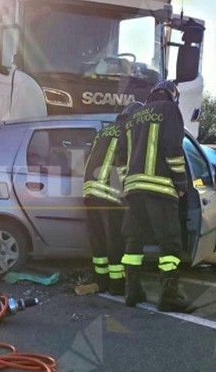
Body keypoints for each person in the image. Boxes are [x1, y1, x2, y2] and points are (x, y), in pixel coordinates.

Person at [116, 80, 193, 312]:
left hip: (133, 190)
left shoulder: (133, 116)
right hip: (160, 188)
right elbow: (173, 149)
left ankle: (132, 292)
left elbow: (121, 156)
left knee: (134, 240)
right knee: (169, 242)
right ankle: (169, 297)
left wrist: (127, 183)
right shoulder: (169, 110)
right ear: (173, 96)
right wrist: (181, 183)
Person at [82, 103, 138, 295]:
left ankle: (101, 281)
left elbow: (88, 157)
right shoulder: (128, 130)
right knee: (114, 240)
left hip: (90, 190)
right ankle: (116, 285)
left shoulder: (104, 131)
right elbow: (124, 162)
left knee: (98, 240)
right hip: (109, 192)